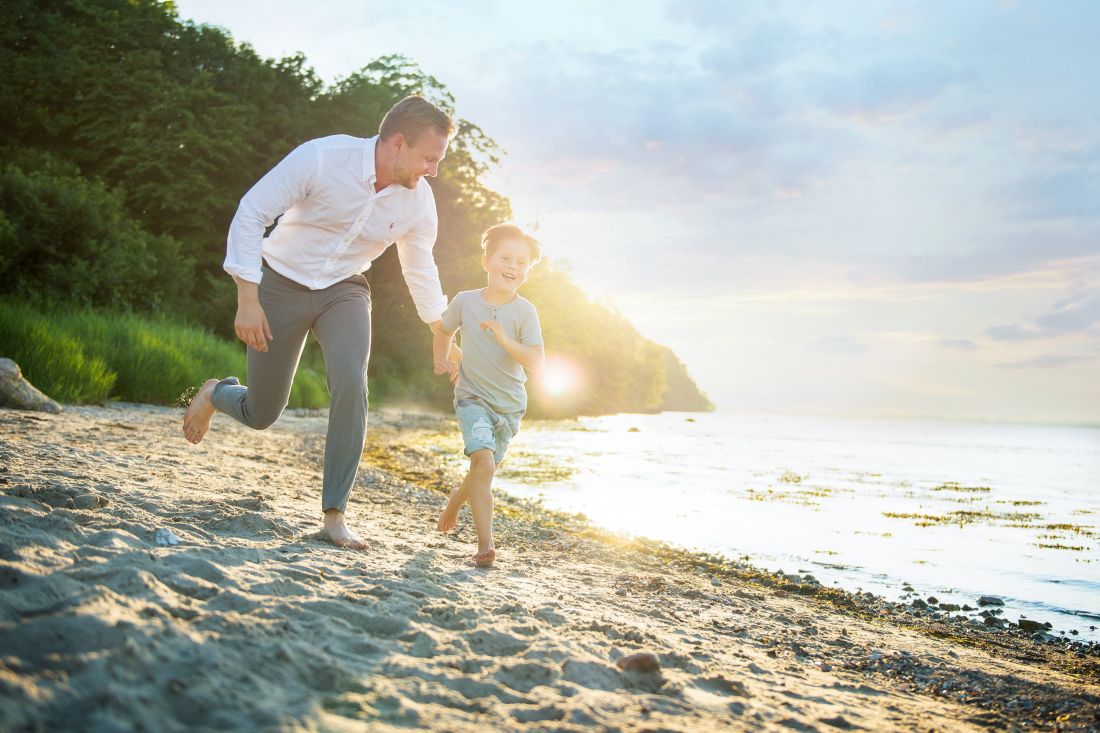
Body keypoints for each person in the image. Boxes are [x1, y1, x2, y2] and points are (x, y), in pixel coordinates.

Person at [182, 96, 456, 549]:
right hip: (279, 284)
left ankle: (334, 515)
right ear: (399, 143)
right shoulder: (322, 158)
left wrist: (440, 331)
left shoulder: (418, 203)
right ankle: (217, 393)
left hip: (344, 290)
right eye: (429, 158)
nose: (433, 170)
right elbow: (252, 212)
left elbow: (420, 267)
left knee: (351, 382)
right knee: (263, 413)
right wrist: (247, 298)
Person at [434, 223, 544, 566]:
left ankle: (455, 502)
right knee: (482, 463)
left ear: (527, 271)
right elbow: (443, 329)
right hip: (472, 399)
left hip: (510, 409)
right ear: (486, 261)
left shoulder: (525, 312)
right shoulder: (466, 302)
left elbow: (536, 362)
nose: (513, 266)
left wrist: (504, 339)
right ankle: (485, 545)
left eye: (521, 262)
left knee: (484, 470)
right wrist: (442, 354)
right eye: (506, 258)